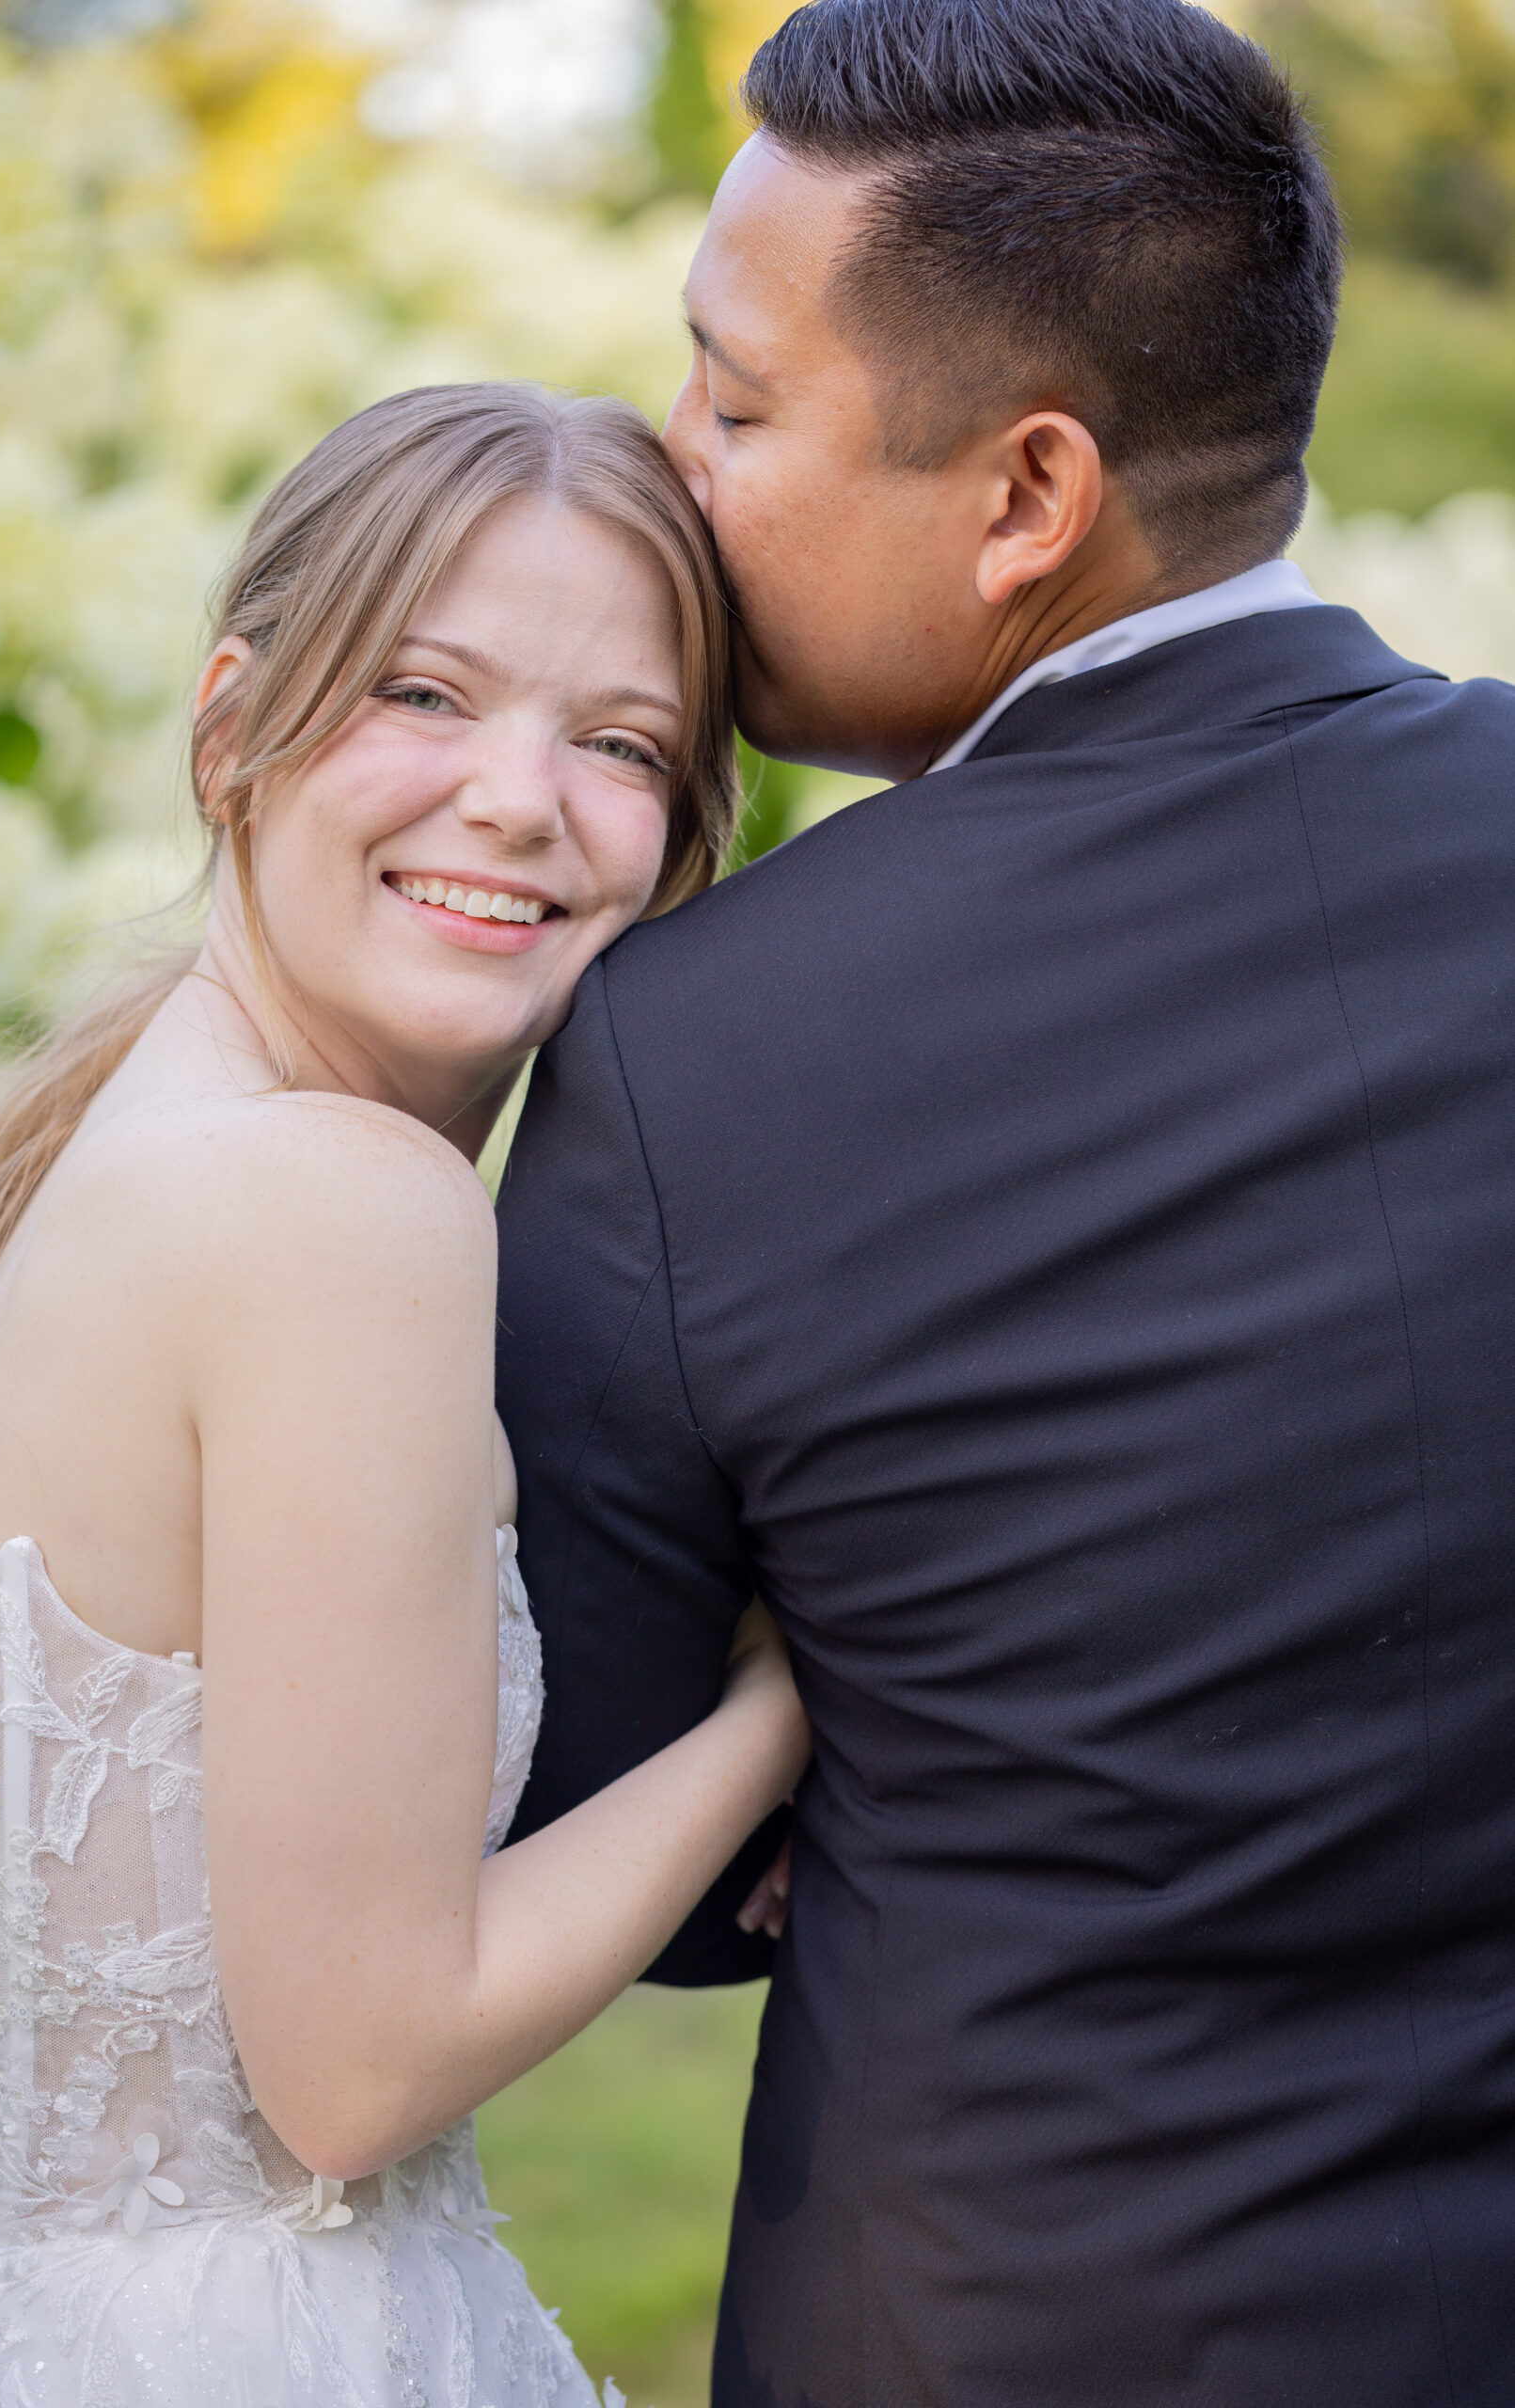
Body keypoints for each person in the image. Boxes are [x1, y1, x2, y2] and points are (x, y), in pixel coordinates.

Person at [495, 3, 1515, 2403]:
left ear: (1026, 497)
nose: (677, 464)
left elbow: (608, 1824)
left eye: (736, 405)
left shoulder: (696, 1044)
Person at [0, 382, 810, 2408]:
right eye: (425, 690)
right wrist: (791, 1704)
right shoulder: (344, 1207)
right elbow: (359, 2058)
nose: (516, 797)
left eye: (616, 744)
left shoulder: (114, 1150)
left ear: (679, 837)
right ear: (232, 723)